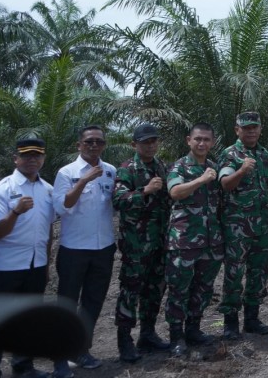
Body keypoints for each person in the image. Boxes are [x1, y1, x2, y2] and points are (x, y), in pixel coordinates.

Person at [52, 125, 117, 374]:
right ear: (79, 145)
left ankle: (82, 350)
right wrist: (84, 180)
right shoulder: (66, 172)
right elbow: (64, 205)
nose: (94, 146)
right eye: (89, 142)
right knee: (67, 302)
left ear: (104, 145)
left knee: (93, 302)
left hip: (103, 248)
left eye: (99, 142)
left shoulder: (110, 171)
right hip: (74, 249)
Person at [0, 138, 56, 378]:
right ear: (15, 159)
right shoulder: (1, 190)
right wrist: (15, 211)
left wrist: (46, 263)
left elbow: (48, 230)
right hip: (5, 266)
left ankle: (23, 366)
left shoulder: (48, 189)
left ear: (43, 158)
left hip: (35, 264)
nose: (32, 160)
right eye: (26, 155)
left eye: (37, 155)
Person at [164, 122, 224, 356]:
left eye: (206, 140)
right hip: (184, 242)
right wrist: (201, 180)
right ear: (188, 140)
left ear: (212, 142)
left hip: (210, 242)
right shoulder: (180, 167)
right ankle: (176, 337)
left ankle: (194, 330)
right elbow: (175, 192)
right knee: (179, 289)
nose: (202, 143)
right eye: (197, 139)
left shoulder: (213, 167)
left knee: (204, 288)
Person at [112, 124, 171, 362]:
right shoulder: (127, 169)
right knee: (130, 291)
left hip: (158, 240)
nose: (150, 145)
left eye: (154, 141)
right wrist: (145, 191)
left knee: (155, 289)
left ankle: (147, 334)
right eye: (145, 142)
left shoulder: (159, 166)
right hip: (136, 244)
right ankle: (124, 340)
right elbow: (118, 200)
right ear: (134, 144)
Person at [217, 111, 268, 339]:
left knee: (259, 272)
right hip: (237, 226)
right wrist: (241, 170)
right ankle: (230, 321)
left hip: (261, 225)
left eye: (254, 127)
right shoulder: (230, 154)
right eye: (246, 128)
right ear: (237, 130)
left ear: (260, 129)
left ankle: (252, 318)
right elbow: (225, 184)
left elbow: (266, 186)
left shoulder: (263, 154)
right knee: (234, 272)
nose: (251, 131)